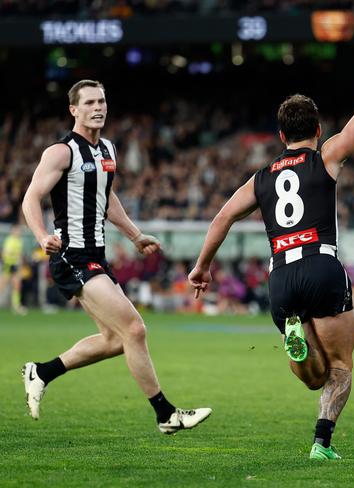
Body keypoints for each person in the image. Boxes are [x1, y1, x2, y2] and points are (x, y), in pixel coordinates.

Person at [189, 25, 354, 460]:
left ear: (280, 136)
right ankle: (321, 443)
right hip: (321, 264)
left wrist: (202, 265)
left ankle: (295, 334)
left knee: (312, 374)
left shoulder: (261, 179)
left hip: (281, 276)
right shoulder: (325, 156)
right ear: (317, 128)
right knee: (341, 367)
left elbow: (222, 217)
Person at [21, 80, 211, 433]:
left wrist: (136, 235)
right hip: (72, 256)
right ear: (74, 110)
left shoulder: (107, 149)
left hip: (96, 256)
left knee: (114, 341)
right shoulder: (61, 152)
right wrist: (42, 236)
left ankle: (41, 372)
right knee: (135, 329)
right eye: (90, 102)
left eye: (102, 101)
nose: (98, 108)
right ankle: (166, 414)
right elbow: (30, 198)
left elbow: (106, 200)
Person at [0, 224, 27, 315]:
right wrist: (12, 256)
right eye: (16, 230)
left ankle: (16, 306)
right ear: (12, 231)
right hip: (9, 265)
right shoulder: (10, 240)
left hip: (16, 266)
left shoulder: (20, 241)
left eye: (19, 230)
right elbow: (5, 253)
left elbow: (20, 254)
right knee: (2, 285)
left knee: (17, 285)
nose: (18, 232)